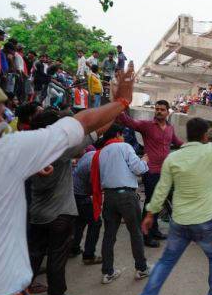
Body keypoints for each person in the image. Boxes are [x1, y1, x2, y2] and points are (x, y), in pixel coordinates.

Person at [0, 65, 136, 295]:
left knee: (37, 251)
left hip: (35, 217)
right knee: (56, 257)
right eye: (2, 115)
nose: (5, 121)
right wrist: (121, 101)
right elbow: (85, 124)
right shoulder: (7, 152)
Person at [134, 97, 212, 295]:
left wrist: (150, 213)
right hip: (206, 222)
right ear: (205, 136)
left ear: (186, 136)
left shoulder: (173, 158)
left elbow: (161, 190)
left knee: (165, 262)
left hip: (179, 222)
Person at [27, 109, 103, 295]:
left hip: (36, 213)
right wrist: (119, 106)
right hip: (59, 214)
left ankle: (19, 291)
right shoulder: (59, 149)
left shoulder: (28, 148)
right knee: (57, 257)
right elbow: (98, 130)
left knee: (34, 254)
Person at [117, 100, 183, 247]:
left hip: (165, 172)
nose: (159, 111)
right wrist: (119, 106)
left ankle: (155, 230)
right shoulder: (146, 126)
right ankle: (145, 236)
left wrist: (194, 147)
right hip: (151, 171)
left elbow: (178, 142)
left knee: (158, 203)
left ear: (168, 112)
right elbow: (128, 121)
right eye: (157, 109)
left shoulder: (170, 128)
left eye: (162, 109)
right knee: (150, 203)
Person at [91, 124, 151, 284]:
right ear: (118, 134)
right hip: (126, 196)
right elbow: (138, 169)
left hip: (109, 197)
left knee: (109, 235)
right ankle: (142, 268)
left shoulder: (101, 152)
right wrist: (144, 160)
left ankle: (107, 272)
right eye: (122, 134)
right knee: (136, 232)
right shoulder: (124, 146)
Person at [71, 149, 103, 265]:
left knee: (80, 220)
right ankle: (89, 255)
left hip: (74, 192)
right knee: (95, 222)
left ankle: (73, 248)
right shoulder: (94, 164)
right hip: (80, 195)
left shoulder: (93, 153)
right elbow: (94, 184)